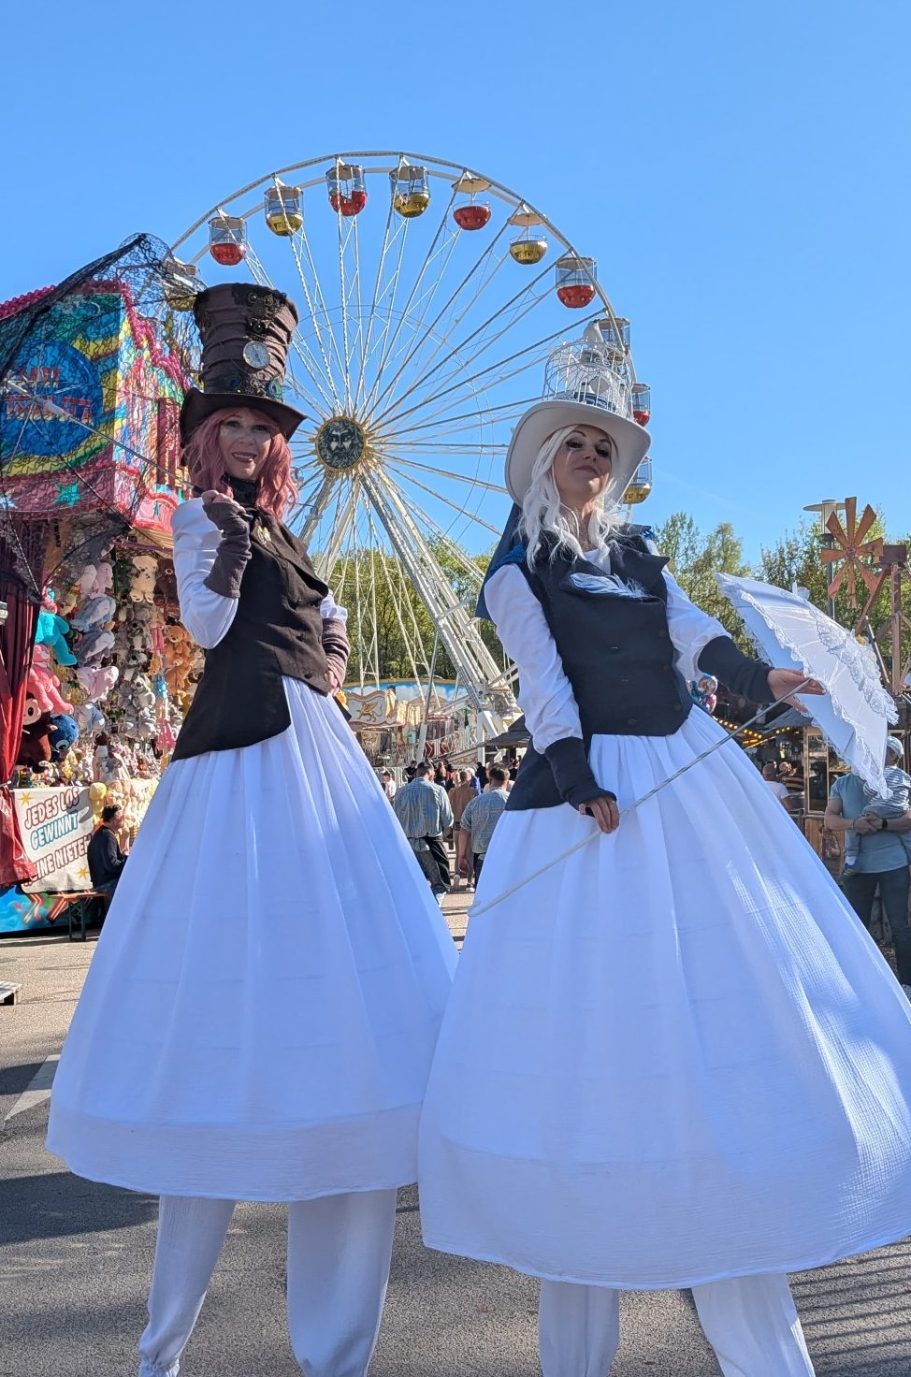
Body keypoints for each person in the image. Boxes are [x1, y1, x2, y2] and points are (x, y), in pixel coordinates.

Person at [419, 389, 911, 1377]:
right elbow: (542, 683)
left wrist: (760, 679)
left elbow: (693, 637)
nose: (594, 458)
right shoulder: (517, 567)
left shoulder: (638, 555)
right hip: (591, 783)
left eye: (605, 448)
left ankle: (735, 1152)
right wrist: (573, 777)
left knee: (735, 962)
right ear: (546, 459)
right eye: (579, 445)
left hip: (686, 766)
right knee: (588, 1008)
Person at [47, 283, 456, 1377]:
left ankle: (335, 1354)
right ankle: (161, 1348)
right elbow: (219, 624)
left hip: (314, 762)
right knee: (217, 1036)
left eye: (260, 426)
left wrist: (325, 637)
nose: (246, 438)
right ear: (199, 436)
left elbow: (310, 642)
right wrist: (224, 544)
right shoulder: (204, 520)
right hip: (237, 771)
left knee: (348, 1038)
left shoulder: (275, 527)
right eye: (228, 421)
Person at [825, 738, 911, 988]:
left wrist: (883, 824)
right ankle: (860, 984)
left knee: (900, 926)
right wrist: (854, 824)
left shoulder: (899, 781)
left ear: (894, 757)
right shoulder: (843, 783)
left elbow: (909, 818)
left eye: (885, 752)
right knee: (856, 925)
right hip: (857, 867)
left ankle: (906, 984)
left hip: (893, 863)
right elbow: (830, 819)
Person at [838, 737, 911, 874]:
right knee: (906, 834)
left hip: (879, 808)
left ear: (893, 756)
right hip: (900, 809)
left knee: (857, 823)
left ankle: (851, 858)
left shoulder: (880, 774)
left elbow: (869, 790)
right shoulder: (905, 776)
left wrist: (868, 787)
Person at [393, 761, 453, 899]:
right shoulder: (437, 790)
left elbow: (395, 818)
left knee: (411, 885)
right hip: (432, 844)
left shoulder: (401, 792)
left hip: (407, 845)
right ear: (431, 774)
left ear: (416, 773)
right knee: (439, 885)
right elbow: (448, 819)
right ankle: (435, 914)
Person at [458, 765, 509, 886]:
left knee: (482, 894)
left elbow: (464, 830)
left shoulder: (475, 802)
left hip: (481, 856)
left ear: (490, 781)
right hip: (507, 855)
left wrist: (462, 855)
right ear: (506, 781)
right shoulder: (512, 801)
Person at [86, 804, 127, 898]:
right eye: (122, 817)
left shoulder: (103, 833)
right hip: (107, 885)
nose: (124, 818)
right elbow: (112, 865)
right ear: (113, 821)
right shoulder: (107, 836)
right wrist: (127, 863)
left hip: (102, 883)